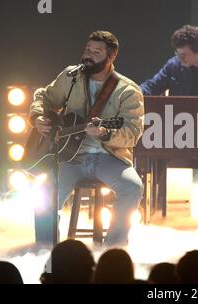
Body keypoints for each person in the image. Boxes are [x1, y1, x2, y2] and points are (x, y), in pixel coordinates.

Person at [29, 30, 144, 246]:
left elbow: (133, 132)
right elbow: (44, 97)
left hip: (109, 158)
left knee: (133, 187)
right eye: (87, 49)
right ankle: (45, 245)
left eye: (96, 52)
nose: (88, 55)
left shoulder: (128, 90)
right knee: (44, 190)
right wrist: (37, 116)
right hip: (70, 158)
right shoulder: (70, 77)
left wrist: (105, 133)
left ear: (111, 57)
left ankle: (114, 246)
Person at [140, 25, 198, 217]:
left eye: (184, 55)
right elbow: (152, 86)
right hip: (175, 131)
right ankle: (149, 205)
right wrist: (130, 94)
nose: (180, 59)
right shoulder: (174, 65)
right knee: (151, 144)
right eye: (178, 54)